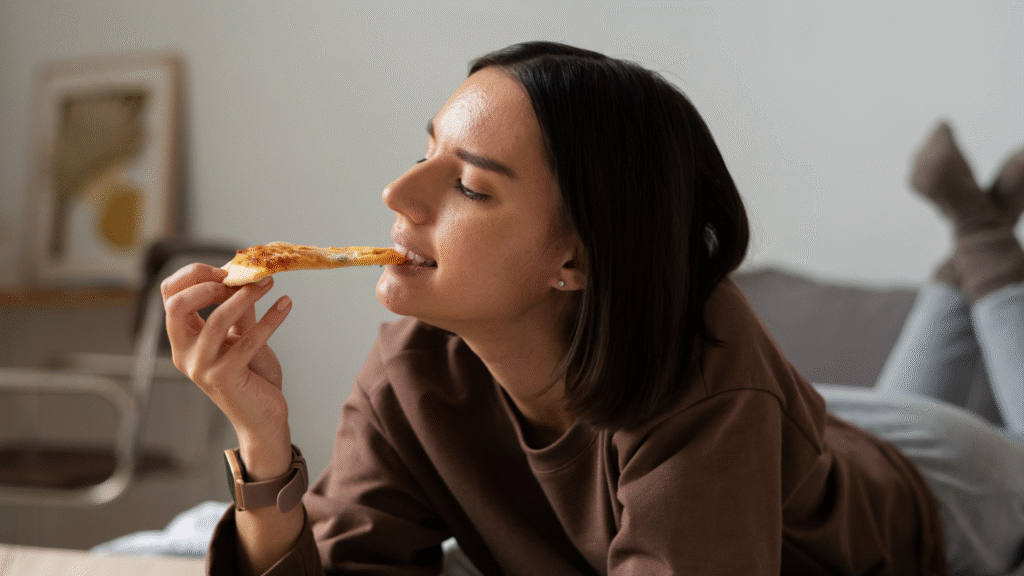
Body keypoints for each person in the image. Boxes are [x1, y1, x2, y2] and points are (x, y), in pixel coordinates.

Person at [161, 41, 1024, 575]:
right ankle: (977, 229)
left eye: (465, 184)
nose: (396, 190)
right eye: (425, 152)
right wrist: (262, 442)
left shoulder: (704, 375)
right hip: (819, 430)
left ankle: (982, 242)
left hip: (944, 487)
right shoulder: (412, 370)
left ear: (575, 257)